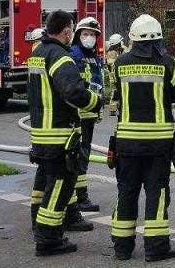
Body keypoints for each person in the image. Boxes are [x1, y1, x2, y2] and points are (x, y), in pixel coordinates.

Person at [109, 14, 175, 261]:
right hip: (158, 143)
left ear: (132, 37)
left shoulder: (120, 63)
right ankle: (156, 247)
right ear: (158, 38)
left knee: (126, 191)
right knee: (157, 192)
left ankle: (122, 247)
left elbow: (117, 92)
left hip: (127, 142)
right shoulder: (168, 63)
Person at [27, 10, 101, 257]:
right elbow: (73, 93)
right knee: (59, 185)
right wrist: (95, 101)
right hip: (58, 134)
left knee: (43, 182)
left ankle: (40, 223)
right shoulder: (60, 57)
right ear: (68, 30)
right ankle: (48, 239)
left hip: (41, 132)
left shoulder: (37, 53)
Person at [68, 17, 103, 213]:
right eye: (85, 34)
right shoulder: (73, 54)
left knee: (84, 155)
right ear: (78, 35)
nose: (89, 37)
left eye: (92, 35)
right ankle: (80, 197)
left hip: (89, 114)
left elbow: (97, 84)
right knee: (79, 156)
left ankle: (79, 196)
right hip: (77, 114)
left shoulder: (94, 56)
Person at [105, 33, 125, 117]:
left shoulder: (118, 51)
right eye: (121, 42)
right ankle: (113, 109)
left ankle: (118, 108)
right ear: (117, 43)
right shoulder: (112, 53)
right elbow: (112, 65)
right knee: (115, 91)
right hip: (114, 75)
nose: (122, 43)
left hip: (116, 74)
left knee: (118, 91)